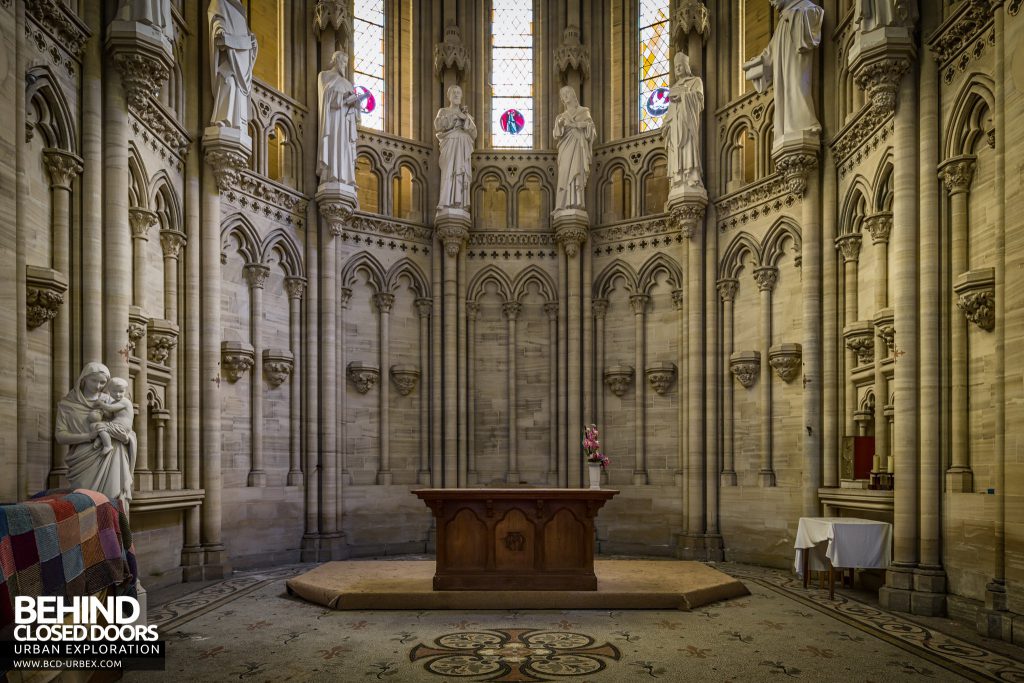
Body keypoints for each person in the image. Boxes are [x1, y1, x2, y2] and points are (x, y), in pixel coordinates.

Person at [55, 363, 138, 512]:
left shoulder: (110, 400)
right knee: (85, 509)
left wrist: (126, 439)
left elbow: (126, 427)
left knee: (113, 503)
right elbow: (60, 436)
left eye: (103, 382)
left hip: (113, 458)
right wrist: (88, 436)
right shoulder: (67, 405)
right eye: (95, 381)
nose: (99, 386)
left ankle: (114, 534)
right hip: (83, 462)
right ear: (84, 379)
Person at [743, 0, 824, 147]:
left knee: (798, 86)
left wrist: (792, 16)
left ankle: (805, 122)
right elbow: (770, 55)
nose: (772, 2)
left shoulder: (806, 7)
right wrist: (754, 65)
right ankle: (787, 128)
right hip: (783, 72)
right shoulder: (781, 24)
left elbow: (812, 33)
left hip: (798, 64)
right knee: (786, 91)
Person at [317, 51, 368, 186]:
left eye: (346, 63)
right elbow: (325, 96)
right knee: (334, 143)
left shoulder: (348, 84)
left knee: (344, 147)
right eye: (343, 61)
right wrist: (342, 97)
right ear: (335, 60)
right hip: (333, 118)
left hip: (346, 121)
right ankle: (330, 175)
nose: (344, 65)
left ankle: (346, 178)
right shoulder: (324, 75)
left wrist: (356, 102)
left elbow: (354, 112)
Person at [208, 0, 258, 130]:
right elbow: (216, 19)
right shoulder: (219, 2)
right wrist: (219, 29)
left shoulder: (241, 10)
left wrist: (252, 41)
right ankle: (223, 120)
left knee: (238, 90)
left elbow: (246, 33)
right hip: (228, 60)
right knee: (228, 83)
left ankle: (238, 124)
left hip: (240, 59)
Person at [663, 52, 704, 189]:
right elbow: (670, 111)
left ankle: (691, 176)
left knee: (688, 148)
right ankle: (679, 178)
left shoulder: (695, 81)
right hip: (676, 126)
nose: (678, 69)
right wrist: (666, 124)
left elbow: (699, 99)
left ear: (686, 66)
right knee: (676, 149)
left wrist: (683, 96)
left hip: (688, 123)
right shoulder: (673, 88)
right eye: (676, 67)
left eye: (680, 65)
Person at [552, 86, 596, 211]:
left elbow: (591, 130)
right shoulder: (561, 117)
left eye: (567, 94)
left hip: (578, 145)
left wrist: (577, 125)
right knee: (564, 174)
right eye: (562, 95)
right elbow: (556, 134)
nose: (564, 97)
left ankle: (576, 203)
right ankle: (562, 204)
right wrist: (560, 125)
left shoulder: (584, 111)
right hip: (565, 148)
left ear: (573, 95)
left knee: (576, 172)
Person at [434, 85, 477, 211]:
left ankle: (461, 203)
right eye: (454, 93)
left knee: (460, 172)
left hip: (462, 145)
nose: (457, 95)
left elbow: (474, 133)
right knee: (448, 172)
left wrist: (466, 120)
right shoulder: (443, 111)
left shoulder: (466, 115)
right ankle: (445, 202)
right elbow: (438, 126)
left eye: (459, 92)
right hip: (449, 143)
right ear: (449, 96)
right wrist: (454, 117)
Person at [89, 377, 134, 456]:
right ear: (109, 391)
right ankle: (102, 439)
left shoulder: (125, 401)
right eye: (114, 391)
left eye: (121, 391)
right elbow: (110, 414)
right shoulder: (114, 402)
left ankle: (108, 446)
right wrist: (101, 411)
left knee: (99, 426)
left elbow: (110, 408)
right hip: (116, 424)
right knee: (94, 426)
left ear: (125, 391)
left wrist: (101, 404)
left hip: (122, 426)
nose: (118, 394)